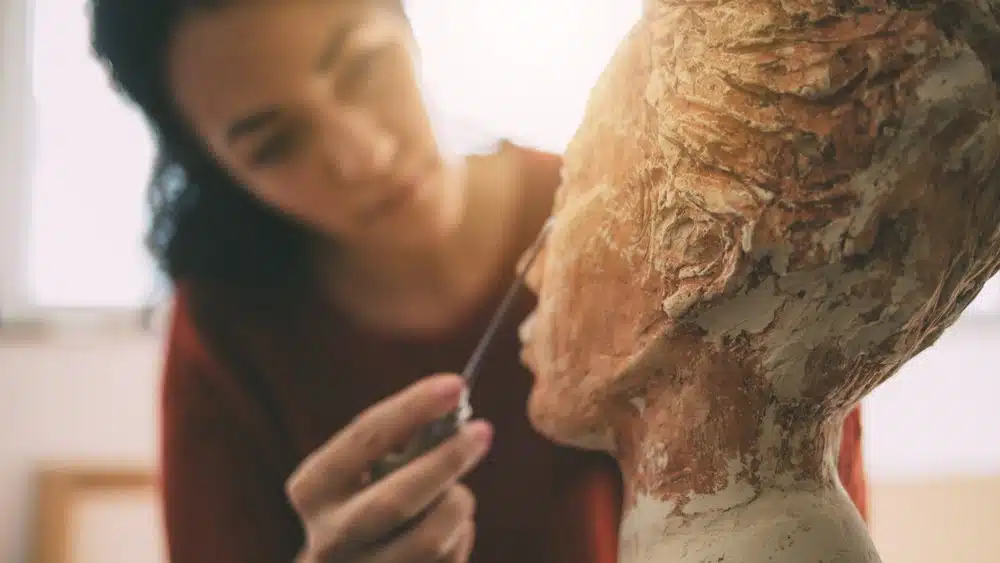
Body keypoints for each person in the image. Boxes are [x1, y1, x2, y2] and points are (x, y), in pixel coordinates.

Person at [89, 0, 870, 562]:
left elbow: (806, 500)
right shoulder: (227, 330)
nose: (362, 155)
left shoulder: (646, 215)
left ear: (406, 23)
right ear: (219, 173)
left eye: (362, 67)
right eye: (275, 143)